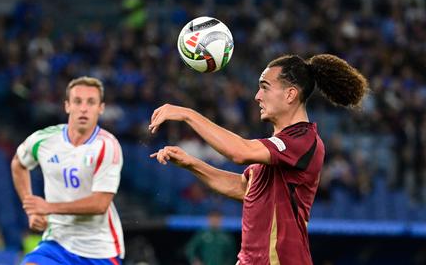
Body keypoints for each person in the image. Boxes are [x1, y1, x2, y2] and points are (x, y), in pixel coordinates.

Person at [149, 54, 368, 265]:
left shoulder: (303, 139)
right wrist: (192, 163)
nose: (257, 96)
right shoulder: (276, 147)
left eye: (265, 87)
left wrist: (189, 115)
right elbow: (244, 189)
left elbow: (239, 152)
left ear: (290, 94)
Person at [11, 76, 125, 265]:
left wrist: (48, 208)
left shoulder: (107, 145)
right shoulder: (44, 139)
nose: (83, 108)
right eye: (77, 101)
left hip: (99, 251)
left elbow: (100, 204)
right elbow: (18, 163)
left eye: (91, 102)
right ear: (67, 106)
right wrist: (32, 209)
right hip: (57, 243)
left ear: (101, 108)